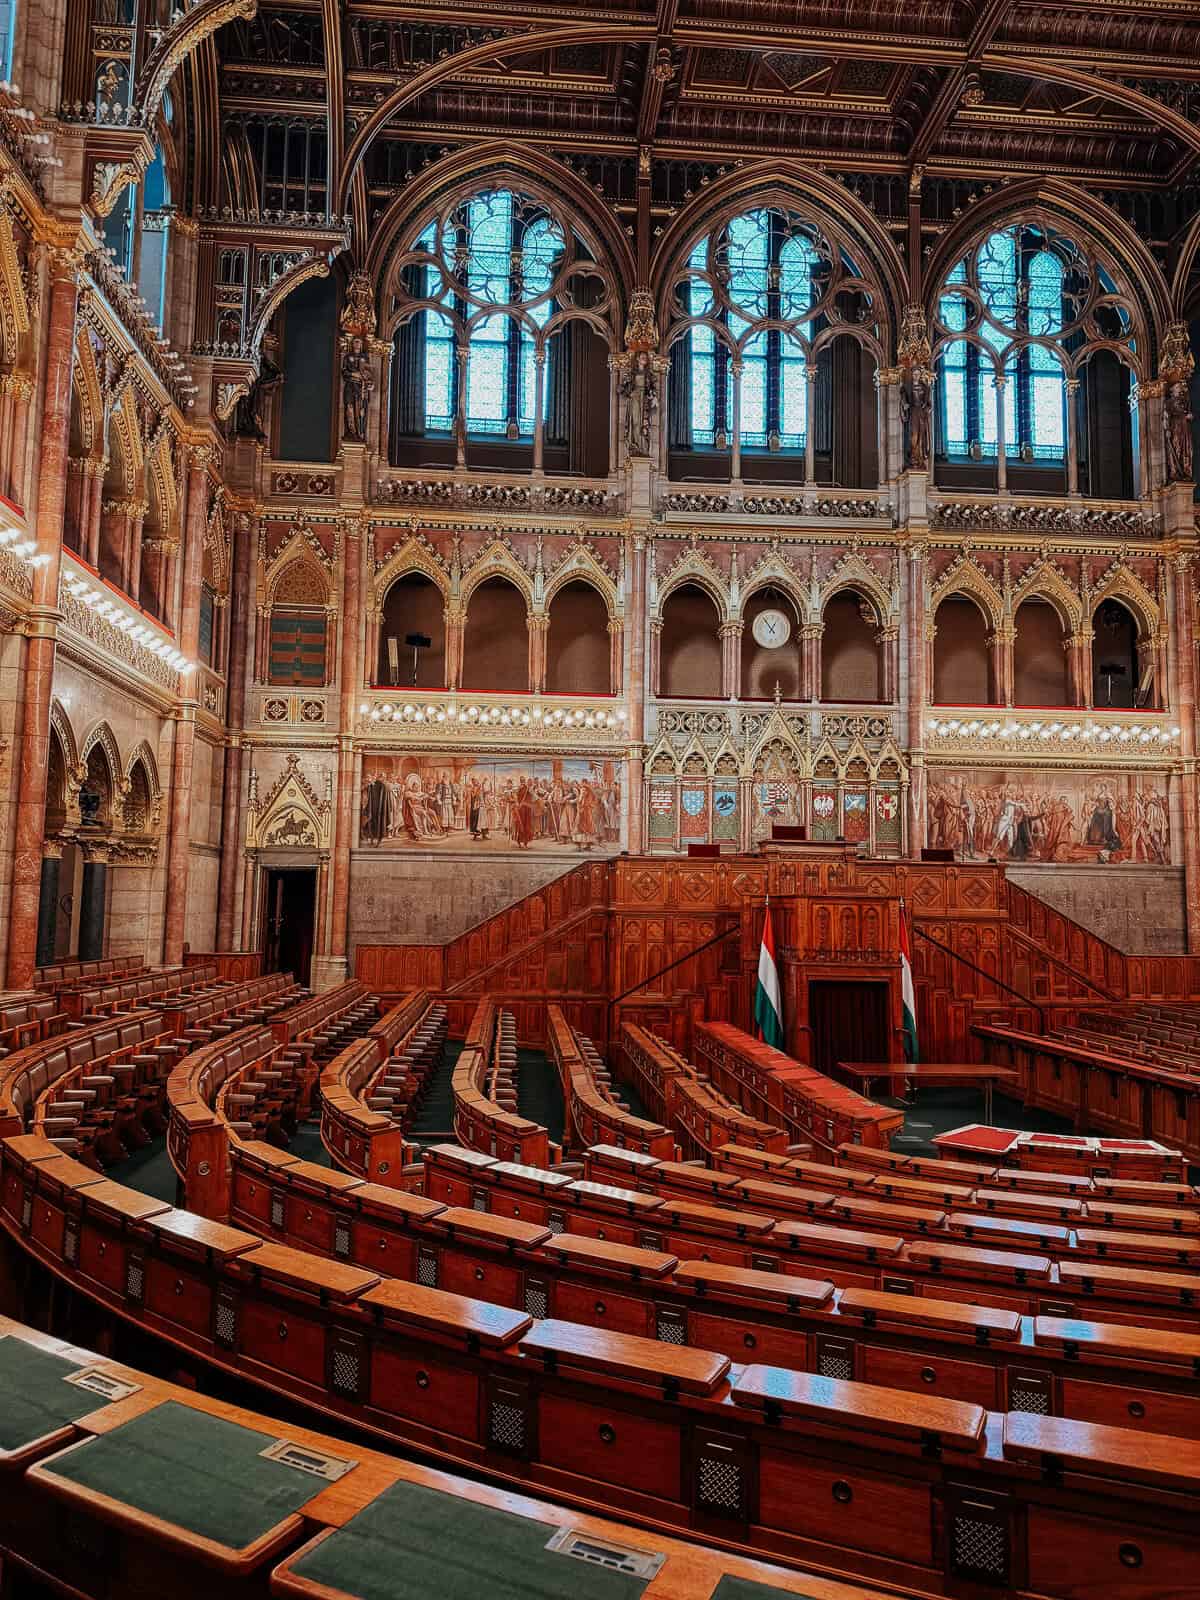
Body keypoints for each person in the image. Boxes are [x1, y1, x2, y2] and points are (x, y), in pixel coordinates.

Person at [341, 336, 373, 441]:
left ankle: (360, 433)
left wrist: (369, 382)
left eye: (359, 342)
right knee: (349, 408)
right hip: (350, 386)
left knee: (361, 410)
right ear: (352, 343)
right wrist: (354, 374)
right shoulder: (347, 357)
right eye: (355, 342)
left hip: (361, 388)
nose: (357, 344)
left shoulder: (365, 357)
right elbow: (344, 372)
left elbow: (369, 373)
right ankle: (351, 431)